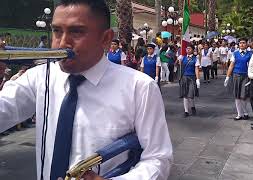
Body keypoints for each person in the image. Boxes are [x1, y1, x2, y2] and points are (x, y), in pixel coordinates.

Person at [0, 0, 173, 180]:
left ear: (106, 38)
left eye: (76, 32)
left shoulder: (140, 87)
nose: (62, 43)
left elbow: (158, 157)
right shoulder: (38, 76)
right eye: (57, 31)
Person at [225, 38, 253, 120]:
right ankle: (239, 114)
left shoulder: (250, 54)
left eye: (244, 43)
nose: (242, 44)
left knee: (243, 95)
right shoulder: (235, 54)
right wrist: (227, 76)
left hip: (246, 76)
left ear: (247, 44)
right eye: (240, 43)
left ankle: (245, 112)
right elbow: (231, 65)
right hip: (236, 75)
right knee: (237, 95)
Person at [178, 45, 201, 118]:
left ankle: (193, 107)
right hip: (184, 77)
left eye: (189, 48)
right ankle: (186, 111)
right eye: (187, 48)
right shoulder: (183, 57)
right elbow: (178, 66)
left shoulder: (195, 59)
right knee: (185, 95)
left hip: (192, 78)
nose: (187, 50)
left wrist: (198, 79)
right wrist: (178, 60)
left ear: (192, 49)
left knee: (190, 95)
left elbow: (196, 69)